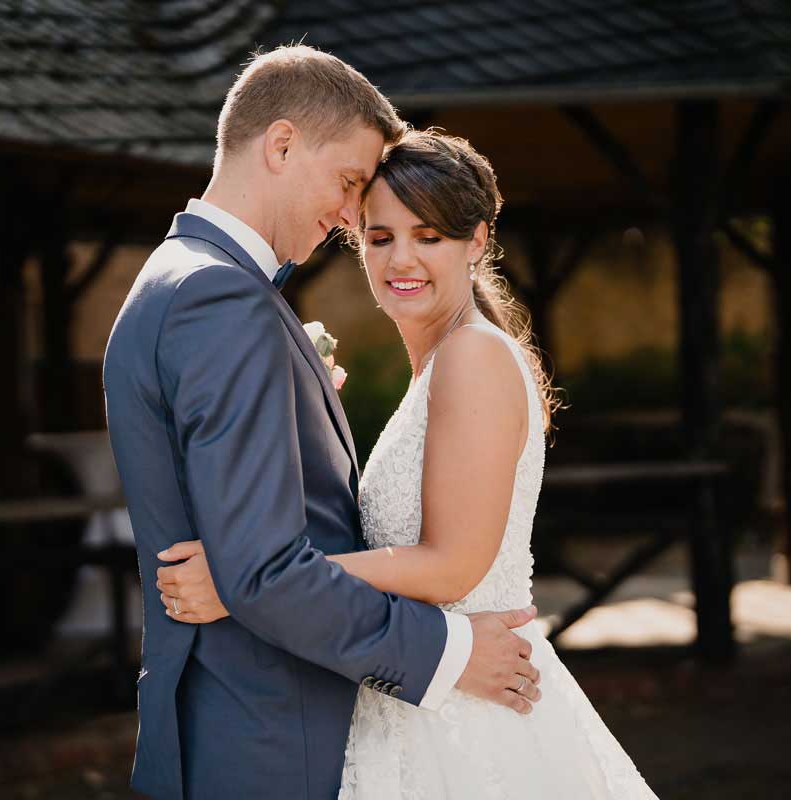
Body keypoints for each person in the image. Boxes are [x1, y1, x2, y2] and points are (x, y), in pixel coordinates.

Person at [159, 129, 661, 798]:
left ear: (477, 240)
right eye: (380, 236)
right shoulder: (438, 365)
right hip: (426, 691)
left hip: (470, 724)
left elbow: (451, 564)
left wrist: (245, 582)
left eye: (430, 237)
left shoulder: (470, 358)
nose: (403, 259)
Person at [102, 46, 540, 800]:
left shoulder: (173, 281)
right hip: (267, 730)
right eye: (349, 188)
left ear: (477, 244)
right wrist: (449, 653)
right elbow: (264, 572)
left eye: (428, 235)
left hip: (252, 723)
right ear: (280, 144)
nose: (348, 216)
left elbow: (258, 559)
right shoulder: (223, 302)